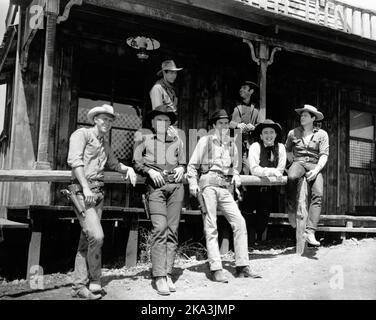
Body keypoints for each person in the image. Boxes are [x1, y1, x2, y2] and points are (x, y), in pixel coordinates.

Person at [67, 104, 137, 300]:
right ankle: (95, 279)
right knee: (97, 237)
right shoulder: (82, 134)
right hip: (82, 192)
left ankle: (79, 286)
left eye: (110, 120)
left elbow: (114, 163)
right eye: (103, 119)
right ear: (95, 119)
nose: (107, 123)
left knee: (86, 240)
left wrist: (128, 169)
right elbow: (75, 161)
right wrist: (86, 187)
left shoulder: (103, 142)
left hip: (98, 194)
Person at [187, 109, 261, 283]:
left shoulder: (231, 144)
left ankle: (242, 266)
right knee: (211, 225)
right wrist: (192, 183)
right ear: (213, 125)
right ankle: (216, 268)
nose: (224, 126)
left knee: (239, 222)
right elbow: (192, 166)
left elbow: (234, 167)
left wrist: (235, 174)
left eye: (226, 123)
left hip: (225, 187)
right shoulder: (205, 141)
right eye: (220, 123)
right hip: (208, 185)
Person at [133, 104, 185, 296]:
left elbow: (184, 162)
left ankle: (168, 272)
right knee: (159, 227)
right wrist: (150, 171)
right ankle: (159, 276)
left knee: (173, 230)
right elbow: (137, 162)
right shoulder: (144, 138)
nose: (163, 123)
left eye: (166, 120)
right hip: (156, 188)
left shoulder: (177, 141)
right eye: (159, 120)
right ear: (153, 123)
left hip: (176, 187)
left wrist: (182, 167)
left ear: (170, 123)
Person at [285, 104, 329, 246]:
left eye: (305, 115)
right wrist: (290, 157)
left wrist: (316, 170)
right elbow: (287, 149)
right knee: (291, 177)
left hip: (314, 165)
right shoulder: (293, 133)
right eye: (301, 115)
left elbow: (324, 155)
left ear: (312, 118)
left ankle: (310, 231)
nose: (302, 117)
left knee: (318, 193)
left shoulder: (322, 134)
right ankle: (291, 209)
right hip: (298, 162)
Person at [248, 119, 286, 242]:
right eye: (265, 132)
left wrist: (274, 172)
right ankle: (248, 242)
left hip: (270, 189)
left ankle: (259, 240)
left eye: (271, 132)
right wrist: (271, 171)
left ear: (275, 135)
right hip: (253, 187)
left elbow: (280, 170)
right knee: (248, 212)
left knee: (264, 216)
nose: (268, 135)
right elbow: (254, 169)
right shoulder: (255, 146)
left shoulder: (280, 148)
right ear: (261, 135)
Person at [229, 80, 263, 174]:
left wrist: (254, 127)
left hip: (248, 144)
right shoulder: (233, 105)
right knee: (232, 169)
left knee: (247, 169)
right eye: (241, 88)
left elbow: (260, 125)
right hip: (233, 143)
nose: (241, 90)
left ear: (251, 91)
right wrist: (237, 125)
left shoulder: (256, 108)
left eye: (244, 88)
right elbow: (224, 122)